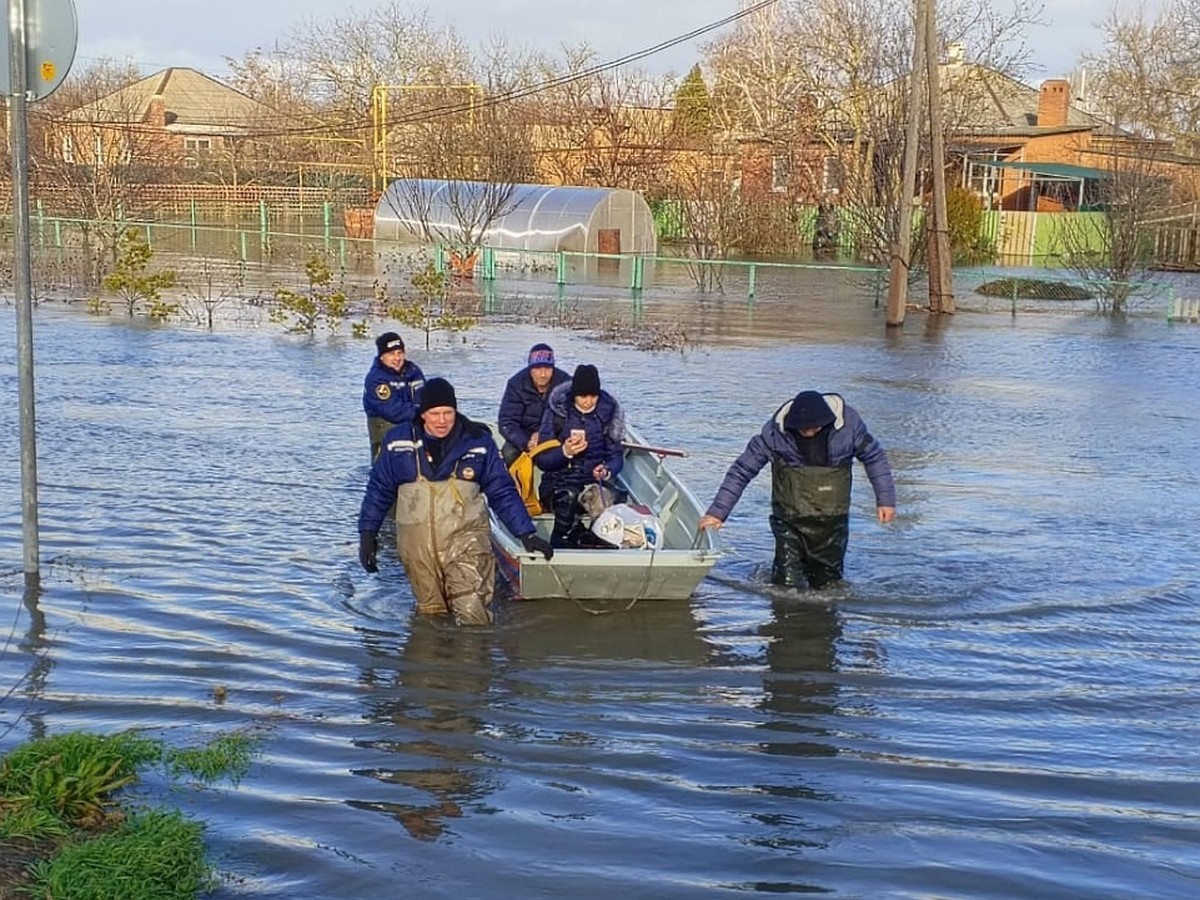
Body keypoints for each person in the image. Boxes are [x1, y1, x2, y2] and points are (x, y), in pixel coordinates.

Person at [357, 377, 554, 625]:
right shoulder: (397, 442)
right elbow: (379, 490)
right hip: (417, 550)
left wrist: (526, 534)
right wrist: (367, 534)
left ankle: (474, 661)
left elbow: (501, 490)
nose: (442, 420)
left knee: (473, 616)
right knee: (430, 619)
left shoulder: (478, 442)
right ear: (423, 414)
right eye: (435, 413)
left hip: (466, 542)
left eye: (448, 413)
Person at [698, 390, 896, 589]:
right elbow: (742, 471)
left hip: (832, 522)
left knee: (828, 585)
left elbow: (875, 458)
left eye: (814, 428)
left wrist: (885, 500)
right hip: (788, 522)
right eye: (803, 429)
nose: (809, 433)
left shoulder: (849, 429)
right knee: (785, 585)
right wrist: (718, 513)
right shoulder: (774, 435)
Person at [534, 364, 626, 548]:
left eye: (593, 396)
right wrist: (565, 452)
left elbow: (615, 456)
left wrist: (607, 470)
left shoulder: (607, 415)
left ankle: (597, 538)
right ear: (574, 395)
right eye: (583, 396)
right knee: (568, 496)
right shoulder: (557, 414)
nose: (588, 401)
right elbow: (542, 460)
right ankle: (559, 541)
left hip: (593, 480)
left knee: (601, 498)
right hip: (558, 482)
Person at [497, 342, 571, 467]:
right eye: (537, 369)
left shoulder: (565, 384)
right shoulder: (516, 384)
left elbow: (573, 417)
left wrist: (545, 435)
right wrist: (526, 442)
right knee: (509, 452)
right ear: (530, 369)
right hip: (526, 435)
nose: (542, 374)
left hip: (557, 435)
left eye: (547, 369)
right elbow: (506, 422)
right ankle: (516, 484)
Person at [363, 331, 425, 459]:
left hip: (415, 429)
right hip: (385, 432)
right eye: (391, 354)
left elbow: (425, 397)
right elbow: (392, 410)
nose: (397, 358)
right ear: (382, 356)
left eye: (400, 353)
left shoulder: (413, 371)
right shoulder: (375, 379)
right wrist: (422, 414)